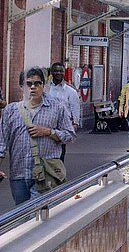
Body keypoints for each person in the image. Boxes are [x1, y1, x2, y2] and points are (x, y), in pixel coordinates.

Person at [0, 68, 75, 204]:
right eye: (29, 84)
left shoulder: (57, 107)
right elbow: (2, 142)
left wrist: (49, 132)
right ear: (22, 87)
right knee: (21, 216)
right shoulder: (11, 111)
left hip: (46, 173)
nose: (33, 87)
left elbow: (70, 135)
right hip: (19, 173)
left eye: (37, 83)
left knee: (40, 216)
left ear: (43, 85)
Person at [46, 62, 81, 161]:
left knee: (61, 148)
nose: (58, 73)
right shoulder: (46, 89)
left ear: (64, 72)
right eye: (56, 71)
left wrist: (75, 123)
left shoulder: (71, 91)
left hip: (63, 124)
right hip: (48, 122)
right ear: (51, 72)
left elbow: (75, 108)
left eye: (61, 71)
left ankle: (59, 170)